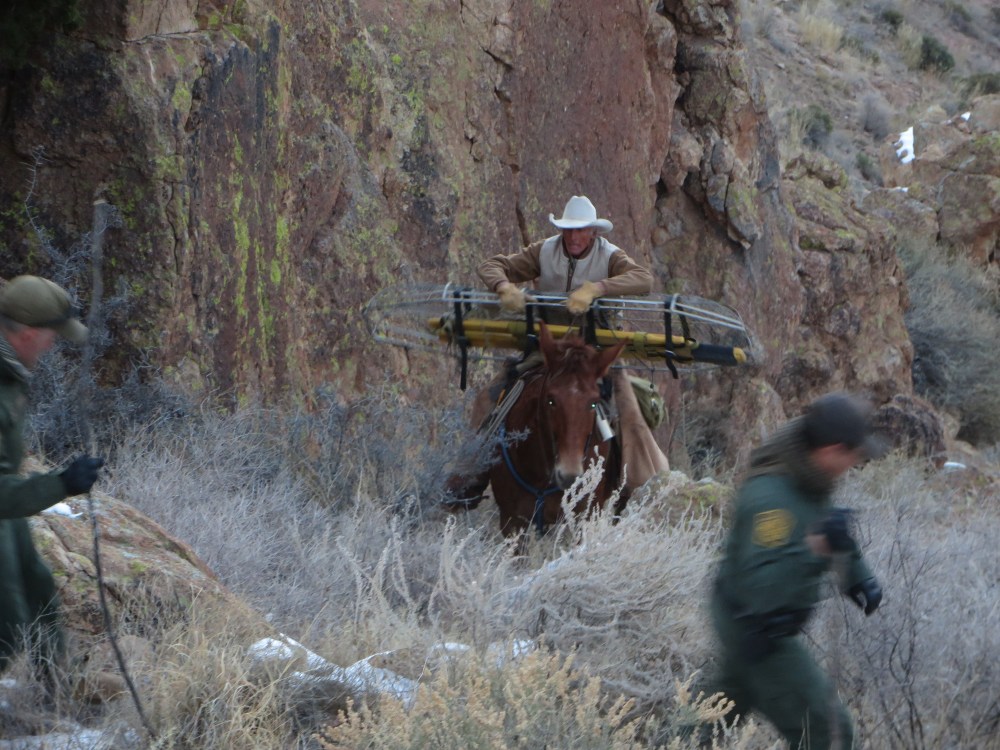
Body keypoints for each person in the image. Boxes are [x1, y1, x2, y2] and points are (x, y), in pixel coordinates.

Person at [446, 195, 668, 507]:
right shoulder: (545, 250)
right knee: (489, 398)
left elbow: (643, 278)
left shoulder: (610, 256)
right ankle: (470, 479)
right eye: (568, 230)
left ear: (593, 232)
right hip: (549, 351)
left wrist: (597, 288)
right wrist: (504, 287)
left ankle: (643, 488)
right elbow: (492, 265)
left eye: (581, 231)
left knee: (627, 410)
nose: (574, 237)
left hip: (593, 354)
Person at [708, 392, 884, 749]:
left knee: (700, 727)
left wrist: (857, 574)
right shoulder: (771, 499)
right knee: (828, 732)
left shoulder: (807, 475)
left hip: (747, 623)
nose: (856, 463)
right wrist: (815, 549)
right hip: (757, 632)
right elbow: (764, 590)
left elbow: (822, 523)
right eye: (854, 455)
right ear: (834, 449)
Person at [0, 275, 104, 696]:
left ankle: (59, 688)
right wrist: (60, 484)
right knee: (6, 620)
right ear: (28, 333)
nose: (53, 346)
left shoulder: (9, 367)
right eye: (51, 337)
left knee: (37, 585)